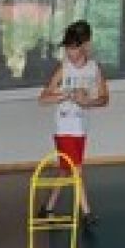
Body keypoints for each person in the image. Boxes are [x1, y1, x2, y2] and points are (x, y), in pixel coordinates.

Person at [39, 19, 109, 228]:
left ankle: (48, 207)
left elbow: (104, 99)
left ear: (86, 45)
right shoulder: (64, 69)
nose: (70, 53)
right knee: (76, 169)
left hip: (81, 128)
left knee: (66, 169)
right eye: (67, 48)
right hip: (64, 127)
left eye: (74, 48)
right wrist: (65, 95)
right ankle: (87, 212)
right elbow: (43, 98)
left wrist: (87, 102)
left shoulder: (94, 69)